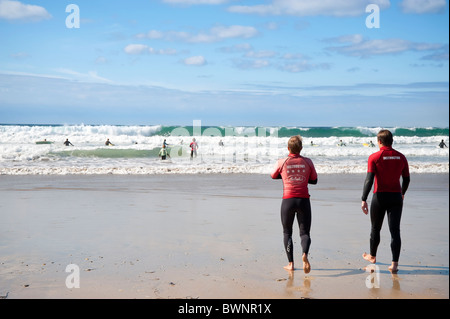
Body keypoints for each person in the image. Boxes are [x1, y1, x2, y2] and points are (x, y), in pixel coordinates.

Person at [361, 129, 410, 274]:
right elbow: (406, 179)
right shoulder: (401, 157)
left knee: (375, 228)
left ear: (379, 141)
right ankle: (394, 264)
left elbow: (369, 179)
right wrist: (402, 193)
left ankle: (372, 257)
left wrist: (363, 198)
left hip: (380, 197)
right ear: (392, 141)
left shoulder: (374, 157)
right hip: (396, 197)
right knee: (395, 231)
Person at [271, 135, 318, 273]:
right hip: (304, 200)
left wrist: (287, 177)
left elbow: (273, 175)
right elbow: (314, 180)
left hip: (288, 200)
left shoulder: (282, 161)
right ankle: (304, 254)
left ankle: (290, 264)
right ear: (301, 148)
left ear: (288, 148)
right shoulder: (308, 161)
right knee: (304, 233)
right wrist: (301, 178)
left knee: (287, 232)